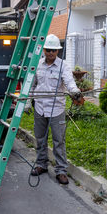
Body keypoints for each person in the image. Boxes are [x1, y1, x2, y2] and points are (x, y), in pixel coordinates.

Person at [30, 34, 84, 185]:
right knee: (40, 138)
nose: (51, 53)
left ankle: (61, 170)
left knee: (59, 140)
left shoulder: (63, 66)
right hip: (40, 107)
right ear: (44, 50)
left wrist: (75, 92)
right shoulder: (37, 65)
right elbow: (32, 85)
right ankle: (41, 164)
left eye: (54, 50)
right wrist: (29, 101)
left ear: (58, 51)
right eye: (48, 50)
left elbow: (69, 82)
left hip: (57, 109)